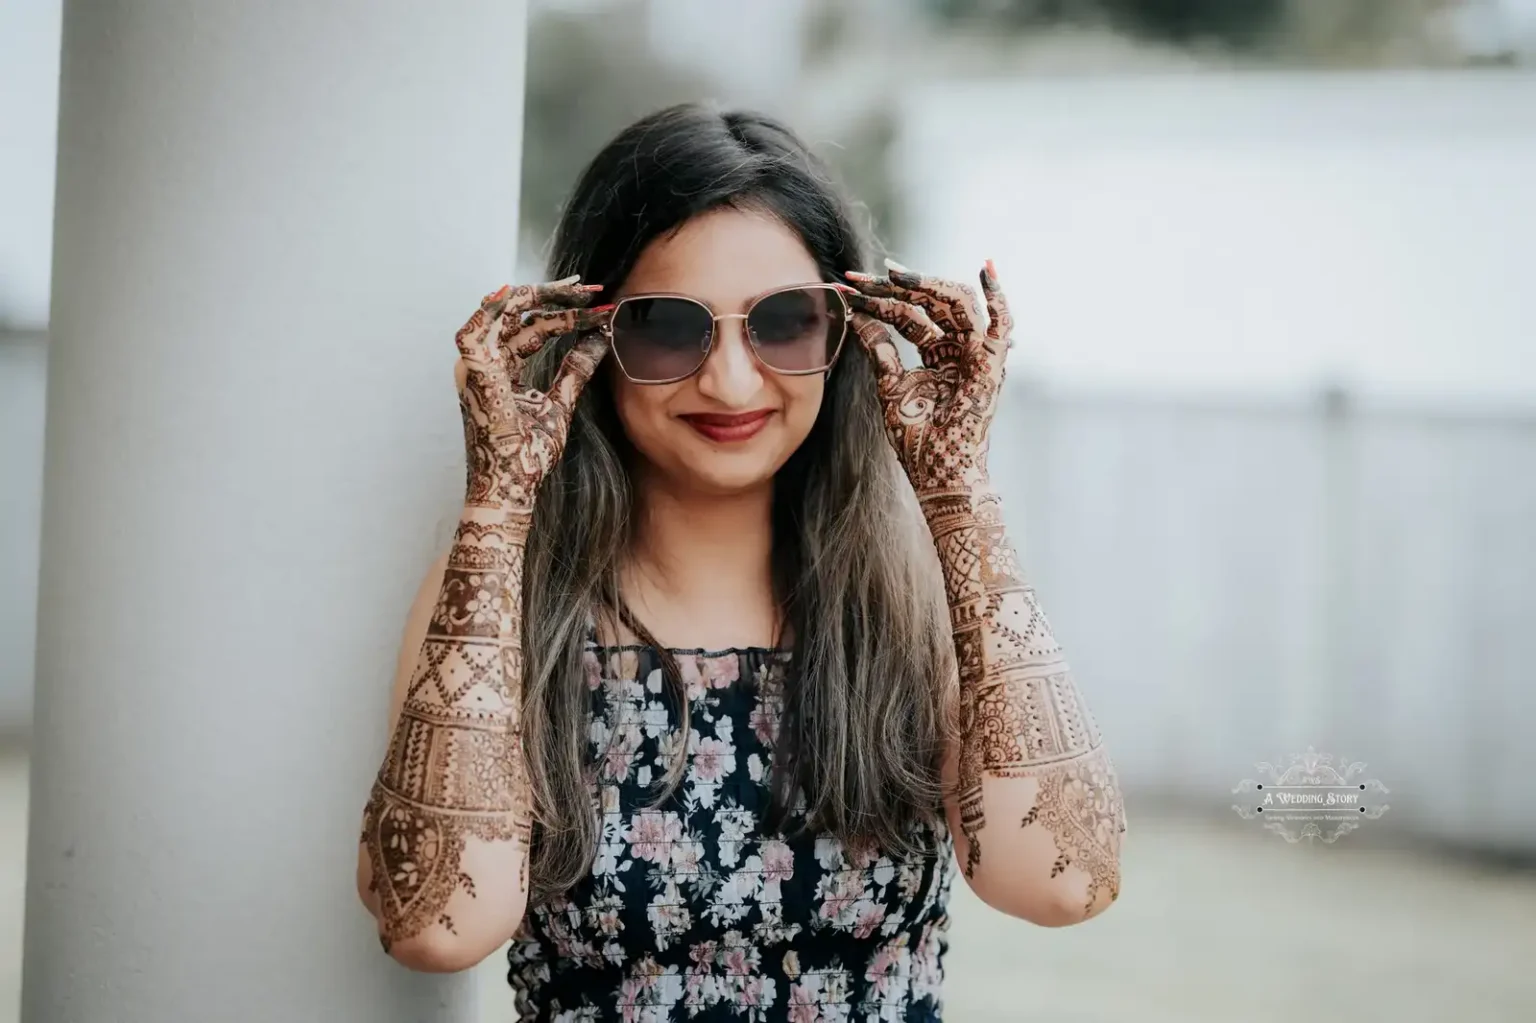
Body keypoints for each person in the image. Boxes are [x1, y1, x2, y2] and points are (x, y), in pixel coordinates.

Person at [355, 102, 1126, 1020]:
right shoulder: (502, 587)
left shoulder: (912, 589)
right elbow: (433, 923)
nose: (728, 380)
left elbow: (1067, 879)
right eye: (669, 328)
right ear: (591, 338)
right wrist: (498, 500)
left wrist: (960, 494)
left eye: (785, 322)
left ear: (846, 335)